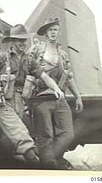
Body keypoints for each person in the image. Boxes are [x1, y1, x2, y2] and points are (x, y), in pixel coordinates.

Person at [0, 24, 65, 165]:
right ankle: (34, 162)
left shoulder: (28, 60)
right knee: (21, 135)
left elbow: (44, 76)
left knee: (16, 134)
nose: (23, 44)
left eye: (24, 40)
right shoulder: (2, 57)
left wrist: (56, 88)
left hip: (19, 101)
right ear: (12, 41)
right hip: (3, 102)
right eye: (19, 40)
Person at [28, 16, 83, 169]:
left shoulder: (63, 54)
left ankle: (48, 159)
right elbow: (24, 69)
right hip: (40, 97)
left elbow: (69, 76)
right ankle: (49, 164)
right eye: (50, 30)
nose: (53, 32)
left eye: (55, 30)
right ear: (45, 32)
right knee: (46, 134)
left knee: (68, 133)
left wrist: (78, 97)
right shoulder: (36, 50)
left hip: (60, 98)